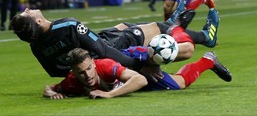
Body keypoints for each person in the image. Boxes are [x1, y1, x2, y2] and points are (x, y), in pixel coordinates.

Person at [9, 2, 219, 79]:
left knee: (122, 25)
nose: (27, 8)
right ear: (37, 19)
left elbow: (55, 72)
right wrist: (140, 67)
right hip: (113, 49)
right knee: (160, 29)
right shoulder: (68, 25)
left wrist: (80, 77)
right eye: (27, 12)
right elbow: (104, 50)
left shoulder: (36, 46)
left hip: (94, 50)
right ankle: (205, 36)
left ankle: (174, 23)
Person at [43, 48, 231, 99]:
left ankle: (207, 60)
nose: (87, 75)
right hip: (127, 79)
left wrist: (109, 94)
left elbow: (139, 79)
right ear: (73, 73)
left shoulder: (106, 66)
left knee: (179, 84)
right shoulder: (71, 81)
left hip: (135, 63)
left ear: (93, 63)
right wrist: (54, 93)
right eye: (80, 73)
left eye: (89, 69)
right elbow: (48, 89)